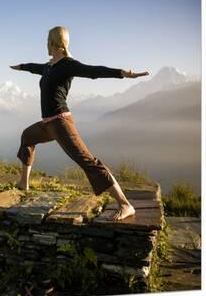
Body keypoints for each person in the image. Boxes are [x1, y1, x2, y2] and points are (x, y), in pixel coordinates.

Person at [10, 26, 149, 221]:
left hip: (61, 123)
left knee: (87, 162)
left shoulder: (68, 64)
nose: (45, 45)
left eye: (48, 41)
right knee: (27, 137)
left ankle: (125, 205)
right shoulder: (49, 67)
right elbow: (35, 67)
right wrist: (21, 66)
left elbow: (93, 71)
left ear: (55, 43)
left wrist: (122, 73)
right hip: (48, 124)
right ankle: (23, 183)